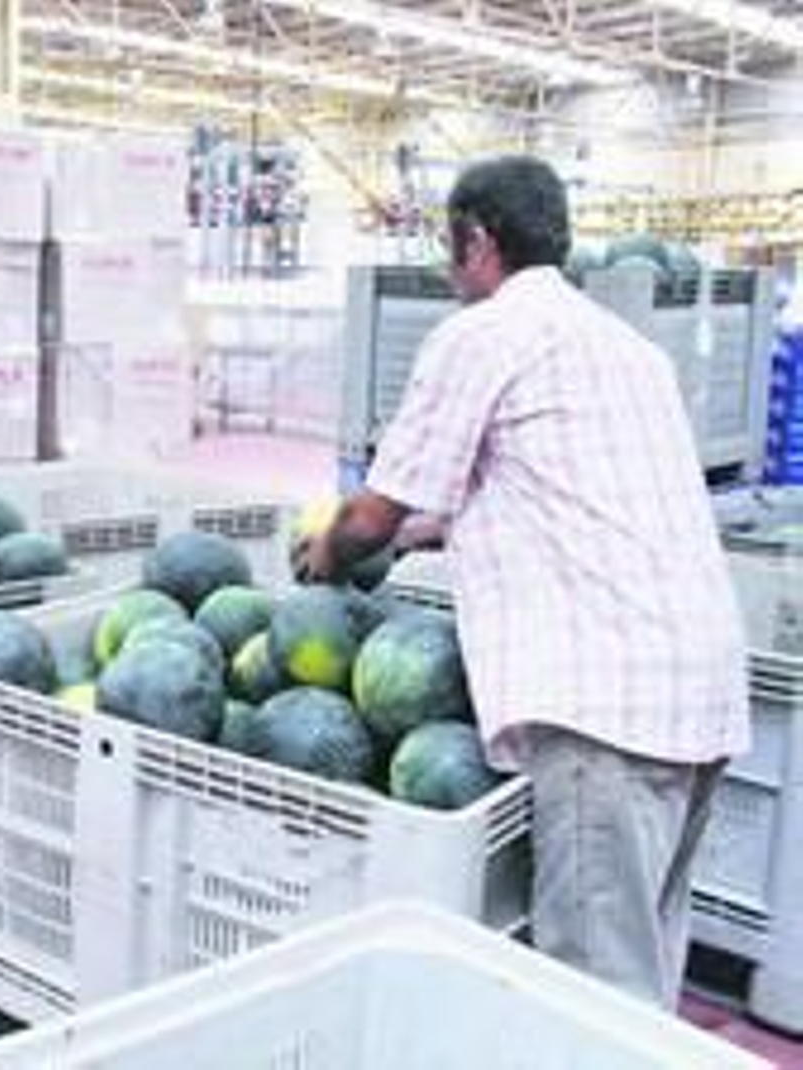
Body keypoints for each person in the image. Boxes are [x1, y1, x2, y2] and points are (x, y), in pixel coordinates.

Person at [294, 155, 749, 1009]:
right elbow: (547, 492)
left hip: (604, 709)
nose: (447, 269)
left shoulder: (482, 335)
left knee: (590, 999)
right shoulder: (628, 349)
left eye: (449, 247)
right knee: (642, 980)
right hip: (701, 692)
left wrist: (330, 552)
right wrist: (423, 531)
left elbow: (373, 517)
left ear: (477, 240)